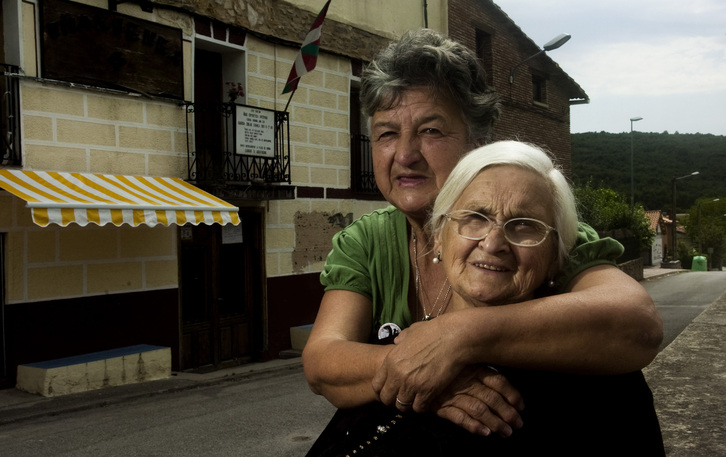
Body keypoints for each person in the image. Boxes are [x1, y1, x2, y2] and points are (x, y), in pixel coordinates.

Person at [302, 28, 663, 443]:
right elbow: (323, 362)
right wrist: (431, 377)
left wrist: (455, 340)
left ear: (478, 143)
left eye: (431, 131)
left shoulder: (536, 233)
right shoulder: (366, 240)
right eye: (386, 133)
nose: (404, 154)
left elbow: (636, 324)